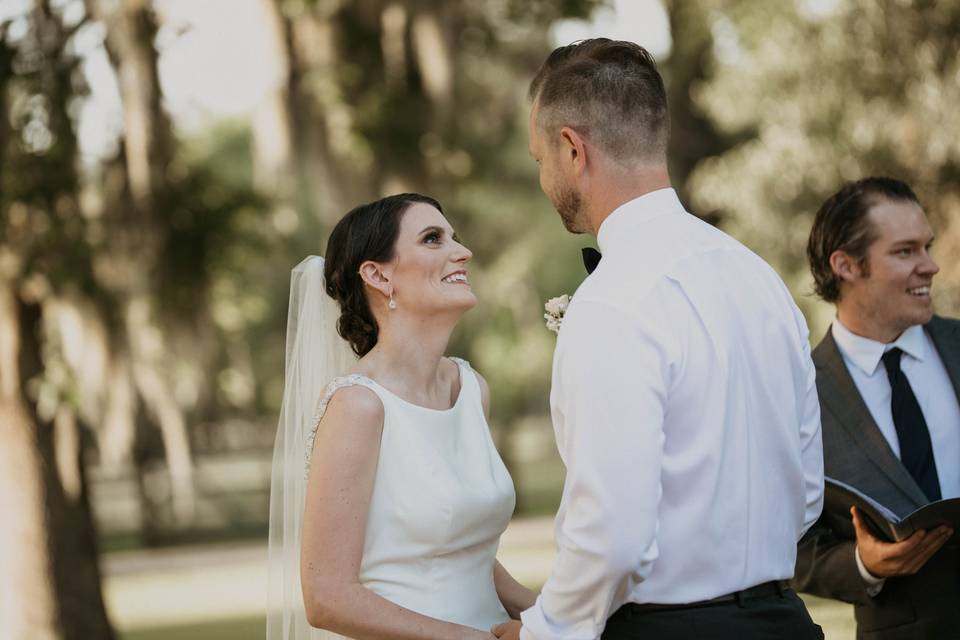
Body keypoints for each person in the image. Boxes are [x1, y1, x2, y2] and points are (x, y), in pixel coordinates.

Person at [493, 39, 825, 640]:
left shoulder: (614, 300)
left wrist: (546, 631)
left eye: (541, 157)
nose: (543, 177)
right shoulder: (760, 278)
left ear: (573, 149)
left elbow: (612, 533)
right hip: (787, 624)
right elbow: (805, 494)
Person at [266, 193, 535, 639]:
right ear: (378, 275)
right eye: (433, 239)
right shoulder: (358, 406)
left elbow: (466, 553)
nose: (462, 251)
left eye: (455, 237)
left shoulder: (471, 390)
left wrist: (557, 617)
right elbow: (327, 598)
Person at [793, 177, 958, 638]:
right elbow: (785, 543)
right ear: (845, 265)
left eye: (926, 247)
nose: (931, 266)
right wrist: (863, 563)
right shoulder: (800, 393)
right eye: (906, 252)